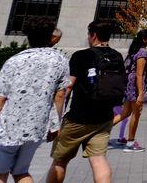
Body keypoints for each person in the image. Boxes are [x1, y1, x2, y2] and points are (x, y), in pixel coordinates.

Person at [0, 17, 69, 183]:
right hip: (37, 125)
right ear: (50, 36)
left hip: (10, 126)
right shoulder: (59, 60)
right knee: (21, 171)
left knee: (0, 172)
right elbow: (60, 95)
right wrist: (55, 124)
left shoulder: (14, 61)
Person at [47, 20, 127, 183]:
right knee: (98, 160)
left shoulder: (81, 56)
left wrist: (56, 119)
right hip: (104, 118)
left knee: (60, 160)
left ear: (94, 35)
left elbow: (67, 88)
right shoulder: (117, 56)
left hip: (78, 118)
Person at [115, 30, 147, 152]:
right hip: (134, 87)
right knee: (136, 114)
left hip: (129, 85)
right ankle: (130, 143)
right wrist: (141, 93)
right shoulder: (142, 53)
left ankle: (99, 132)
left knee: (125, 113)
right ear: (144, 39)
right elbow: (139, 75)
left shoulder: (133, 52)